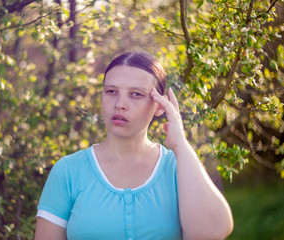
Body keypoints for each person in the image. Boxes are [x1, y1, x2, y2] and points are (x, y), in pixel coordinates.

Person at [34, 51, 234, 240]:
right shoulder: (68, 170)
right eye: (111, 91)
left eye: (136, 94)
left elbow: (212, 233)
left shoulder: (177, 167)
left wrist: (180, 143)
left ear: (159, 106)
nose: (120, 103)